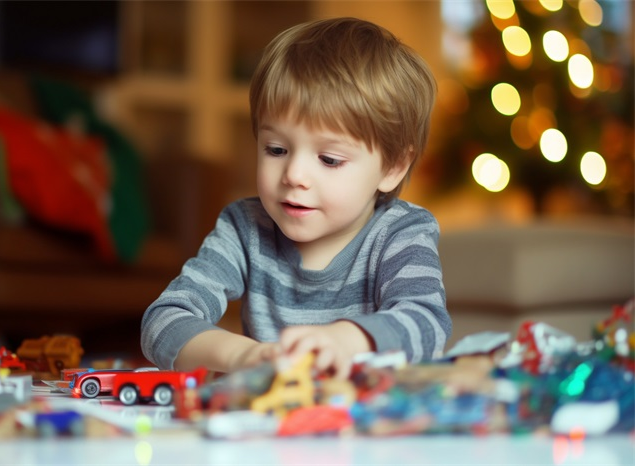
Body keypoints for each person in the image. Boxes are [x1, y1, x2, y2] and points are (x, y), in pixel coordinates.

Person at [141, 17, 451, 379]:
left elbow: (428, 325)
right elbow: (162, 321)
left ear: (393, 167)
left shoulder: (402, 232)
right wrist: (242, 356)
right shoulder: (245, 229)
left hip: (369, 426)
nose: (293, 175)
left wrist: (346, 342)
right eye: (276, 149)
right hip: (270, 425)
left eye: (329, 159)